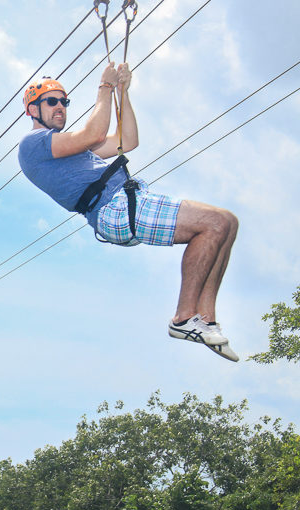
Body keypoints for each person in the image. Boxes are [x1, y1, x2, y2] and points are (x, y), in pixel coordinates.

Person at [17, 62, 239, 361]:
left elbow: (127, 141)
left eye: (64, 102)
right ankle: (184, 318)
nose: (60, 107)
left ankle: (205, 319)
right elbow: (95, 131)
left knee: (227, 222)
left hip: (127, 199)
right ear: (32, 110)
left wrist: (122, 92)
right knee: (213, 222)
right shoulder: (33, 145)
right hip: (113, 208)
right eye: (51, 102)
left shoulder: (69, 151)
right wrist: (105, 87)